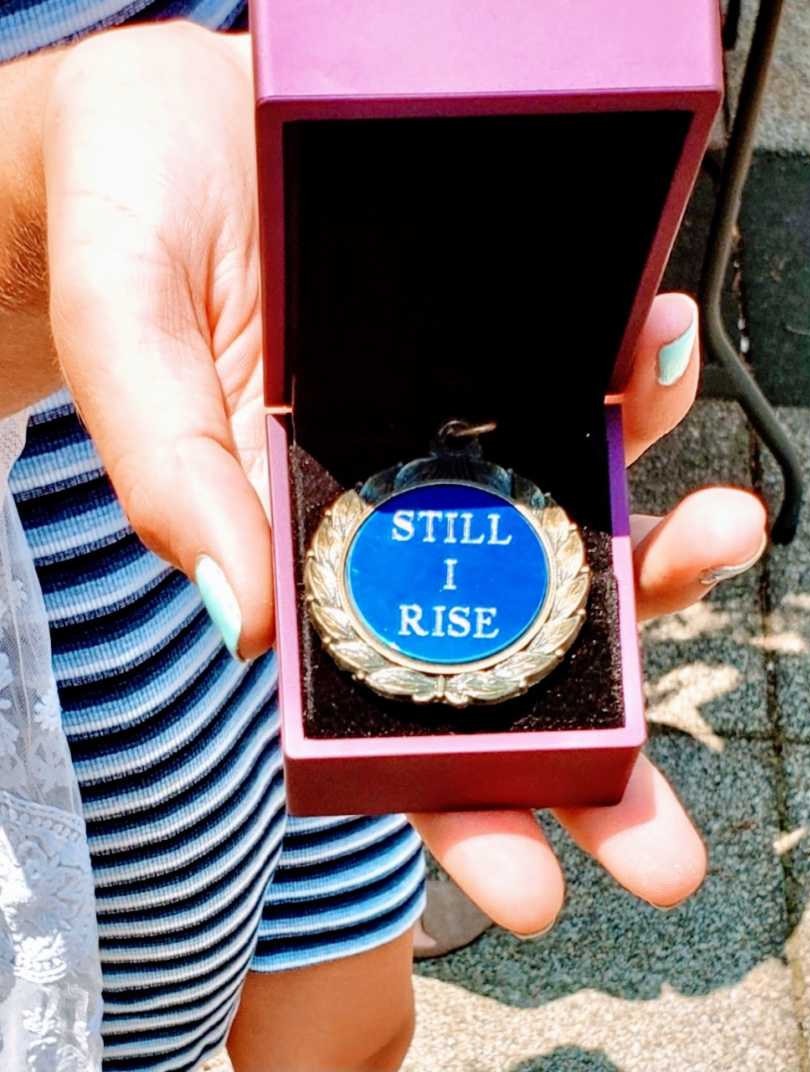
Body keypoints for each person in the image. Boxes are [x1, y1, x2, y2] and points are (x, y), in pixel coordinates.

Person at [0, 9, 768, 1071]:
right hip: (72, 619)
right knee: (137, 1030)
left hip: (317, 372)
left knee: (353, 1027)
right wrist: (49, 176)